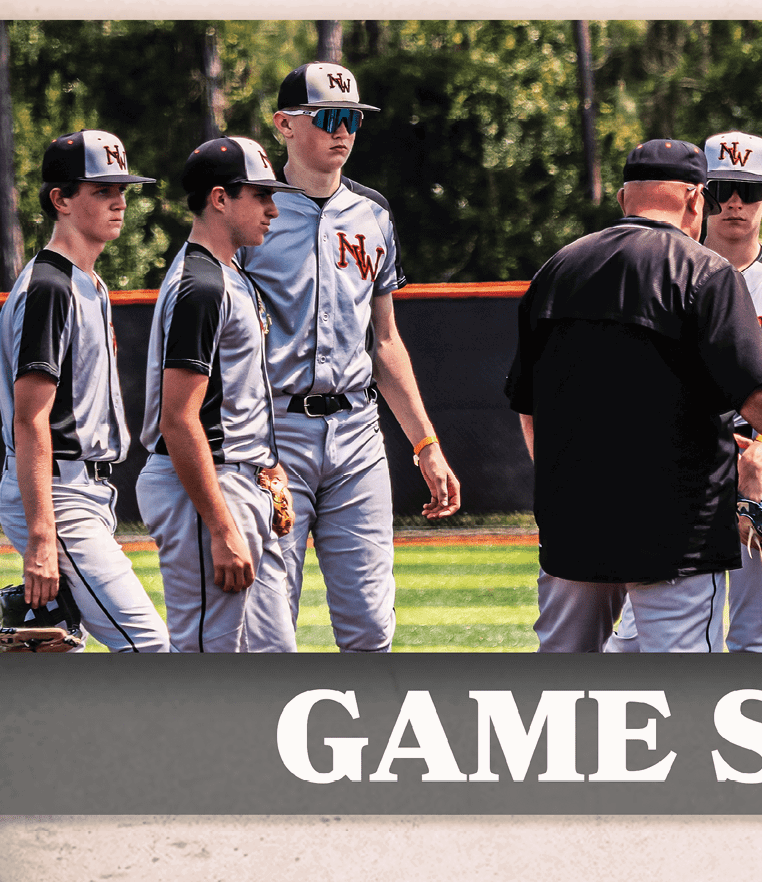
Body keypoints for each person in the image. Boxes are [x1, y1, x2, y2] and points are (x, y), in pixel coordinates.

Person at [507, 138, 762, 653]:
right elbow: (759, 394)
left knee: (564, 669)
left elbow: (528, 403)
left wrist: (564, 489)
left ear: (624, 199)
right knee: (683, 688)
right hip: (677, 523)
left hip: (573, 522)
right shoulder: (702, 271)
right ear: (697, 200)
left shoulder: (558, 269)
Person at [236, 61, 460, 652]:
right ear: (284, 124)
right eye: (329, 117)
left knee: (369, 623)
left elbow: (384, 342)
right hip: (274, 430)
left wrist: (426, 445)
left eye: (353, 119)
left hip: (356, 431)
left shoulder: (374, 213)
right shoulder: (252, 212)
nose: (344, 131)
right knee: (269, 625)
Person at [609, 128, 762, 652]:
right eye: (723, 187)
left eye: (748, 189)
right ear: (700, 193)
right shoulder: (664, 268)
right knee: (640, 630)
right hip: (682, 459)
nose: (733, 202)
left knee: (756, 628)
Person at [0, 130, 170, 652]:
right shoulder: (50, 287)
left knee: (64, 651)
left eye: (122, 188)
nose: (119, 201)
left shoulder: (87, 282)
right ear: (61, 200)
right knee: (150, 648)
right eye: (101, 190)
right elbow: (30, 419)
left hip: (85, 490)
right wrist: (41, 537)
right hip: (59, 492)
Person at [137, 137, 299, 652]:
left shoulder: (230, 275)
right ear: (220, 198)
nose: (273, 209)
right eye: (259, 195)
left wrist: (268, 471)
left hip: (241, 477)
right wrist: (221, 525)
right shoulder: (201, 285)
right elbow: (179, 419)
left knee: (273, 652)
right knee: (210, 654)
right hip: (206, 486)